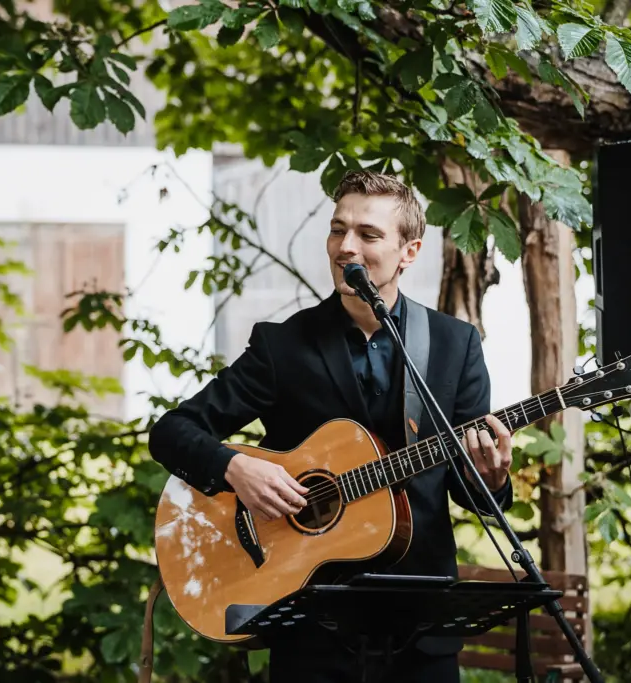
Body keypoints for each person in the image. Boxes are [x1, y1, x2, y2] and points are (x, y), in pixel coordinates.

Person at [148, 170, 514, 683]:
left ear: (409, 251)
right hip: (309, 626)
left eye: (368, 234)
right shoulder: (282, 347)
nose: (346, 247)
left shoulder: (454, 345)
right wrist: (236, 468)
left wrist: (491, 479)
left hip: (420, 632)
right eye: (337, 230)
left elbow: (468, 490)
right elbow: (171, 431)